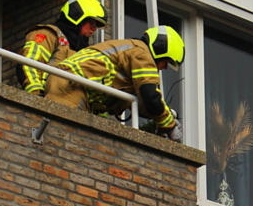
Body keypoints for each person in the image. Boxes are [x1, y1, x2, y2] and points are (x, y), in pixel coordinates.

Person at [44, 25, 183, 141]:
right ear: (160, 50)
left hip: (73, 85)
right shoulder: (141, 53)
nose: (165, 68)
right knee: (59, 135)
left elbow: (143, 103)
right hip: (71, 86)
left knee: (71, 139)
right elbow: (150, 95)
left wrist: (165, 116)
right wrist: (169, 125)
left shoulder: (131, 55)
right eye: (166, 62)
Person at [19, 0, 108, 96]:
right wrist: (36, 94)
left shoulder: (84, 52)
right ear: (77, 16)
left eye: (96, 26)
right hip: (48, 98)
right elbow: (28, 64)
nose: (94, 29)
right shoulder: (49, 35)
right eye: (92, 23)